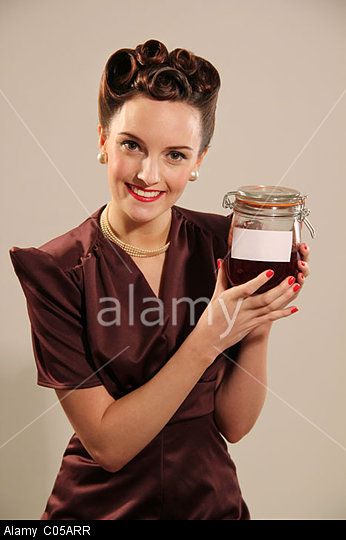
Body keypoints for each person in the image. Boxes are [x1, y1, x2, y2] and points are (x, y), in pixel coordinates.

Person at [9, 39, 310, 520]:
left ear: (199, 162)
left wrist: (259, 320)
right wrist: (208, 337)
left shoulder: (225, 243)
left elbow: (233, 425)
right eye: (132, 145)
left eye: (175, 154)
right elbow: (107, 445)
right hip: (98, 511)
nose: (149, 174)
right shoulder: (55, 270)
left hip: (211, 505)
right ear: (103, 141)